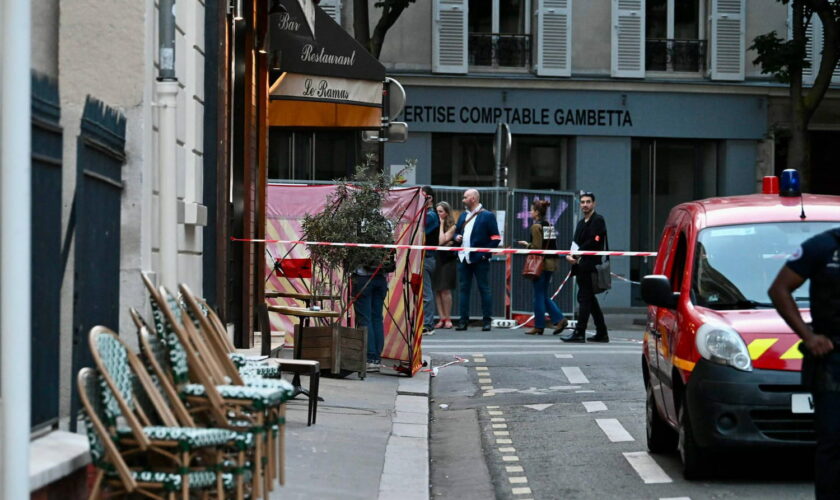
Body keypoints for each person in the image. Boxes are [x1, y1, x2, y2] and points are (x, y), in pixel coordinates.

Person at [768, 227, 840, 499]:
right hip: (833, 361)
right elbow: (779, 289)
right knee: (833, 442)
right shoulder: (822, 247)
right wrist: (808, 337)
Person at [562, 191, 609, 343]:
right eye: (582, 202)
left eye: (588, 202)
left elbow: (593, 243)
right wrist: (570, 255)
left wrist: (575, 255)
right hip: (580, 266)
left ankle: (580, 332)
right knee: (590, 299)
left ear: (594, 204)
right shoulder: (581, 223)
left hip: (590, 266)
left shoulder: (598, 220)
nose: (585, 205)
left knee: (584, 298)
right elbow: (575, 242)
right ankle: (602, 332)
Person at [517, 200, 569, 335]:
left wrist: (526, 244)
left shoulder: (535, 227)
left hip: (540, 264)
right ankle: (557, 319)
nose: (530, 212)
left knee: (539, 296)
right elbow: (552, 245)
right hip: (550, 263)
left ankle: (543, 324)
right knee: (543, 294)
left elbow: (537, 248)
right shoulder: (549, 225)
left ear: (537, 212)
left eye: (532, 210)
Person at [454, 189, 501, 331]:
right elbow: (456, 232)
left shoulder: (487, 216)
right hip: (463, 258)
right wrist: (456, 237)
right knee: (464, 290)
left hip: (480, 259)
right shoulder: (463, 216)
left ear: (473, 199)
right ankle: (463, 321)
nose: (463, 200)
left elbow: (496, 238)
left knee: (484, 289)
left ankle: (487, 321)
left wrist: (483, 254)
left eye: (465, 197)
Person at [433, 201, 458, 329]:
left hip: (447, 260)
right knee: (437, 289)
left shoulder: (452, 226)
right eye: (437, 212)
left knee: (445, 289)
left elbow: (441, 240)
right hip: (436, 258)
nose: (438, 214)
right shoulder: (434, 224)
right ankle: (441, 318)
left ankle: (448, 318)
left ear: (447, 213)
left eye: (441, 211)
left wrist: (442, 223)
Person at [421, 186, 440, 335]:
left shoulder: (431, 215)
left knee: (426, 293)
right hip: (424, 256)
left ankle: (428, 324)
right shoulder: (427, 214)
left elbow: (421, 230)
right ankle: (425, 322)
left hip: (427, 257)